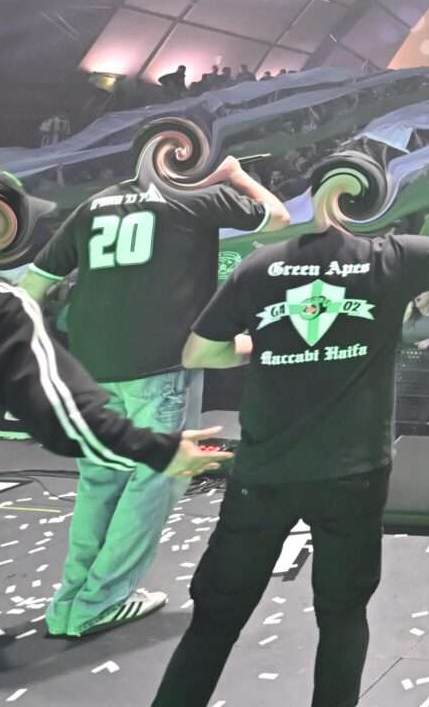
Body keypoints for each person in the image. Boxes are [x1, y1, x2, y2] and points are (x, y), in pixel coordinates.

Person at [151, 157, 429, 707]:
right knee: (342, 617)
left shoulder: (260, 266)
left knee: (215, 620)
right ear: (371, 200)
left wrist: (261, 343)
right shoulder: (391, 258)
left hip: (264, 473)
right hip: (352, 474)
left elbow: (199, 352)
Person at [0, 173, 229, 607]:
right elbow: (63, 416)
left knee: (100, 483)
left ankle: (82, 602)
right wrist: (158, 451)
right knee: (141, 485)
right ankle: (96, 602)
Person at [20, 138, 291, 640]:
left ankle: (69, 604)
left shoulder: (93, 204)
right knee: (155, 481)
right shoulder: (194, 199)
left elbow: (31, 289)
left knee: (101, 481)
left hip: (90, 369)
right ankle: (99, 602)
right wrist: (235, 176)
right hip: (161, 367)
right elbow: (277, 216)